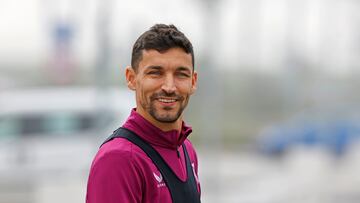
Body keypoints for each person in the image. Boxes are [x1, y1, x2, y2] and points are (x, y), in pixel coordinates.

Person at [86, 24, 200, 203]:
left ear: (193, 82)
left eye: (181, 74)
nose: (169, 87)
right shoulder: (119, 159)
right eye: (155, 73)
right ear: (131, 78)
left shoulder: (186, 149)